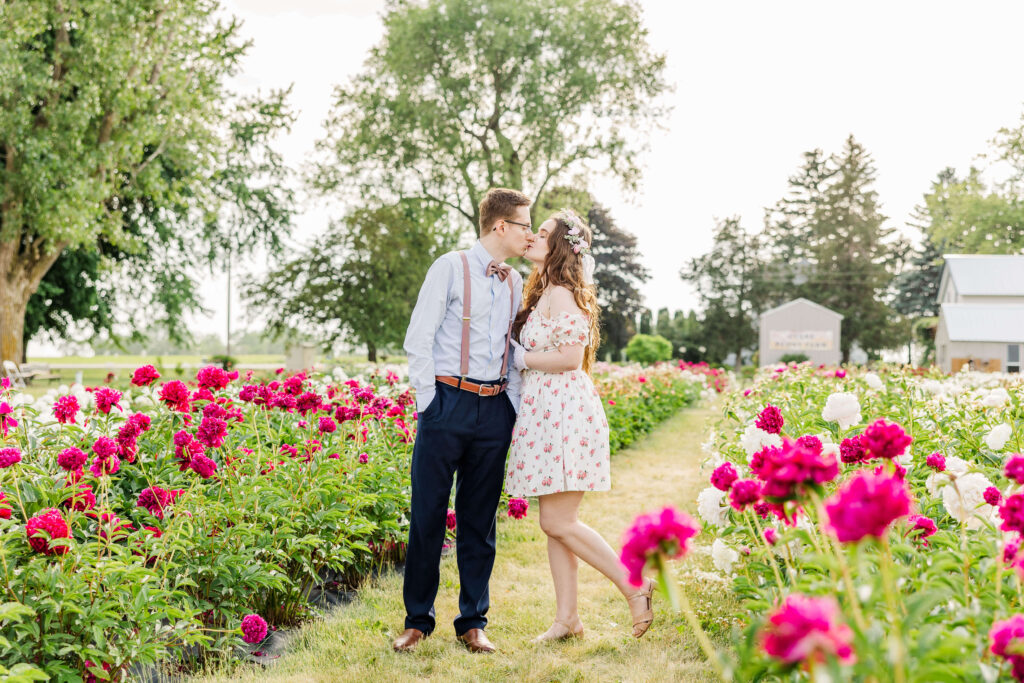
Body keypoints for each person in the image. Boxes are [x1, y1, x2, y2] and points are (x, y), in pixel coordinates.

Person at [505, 209, 656, 642]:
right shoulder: (545, 291)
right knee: (554, 521)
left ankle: (633, 585)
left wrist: (523, 358)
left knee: (558, 521)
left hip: (564, 413)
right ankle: (566, 619)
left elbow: (570, 358)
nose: (534, 236)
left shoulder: (562, 293)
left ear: (559, 247)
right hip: (547, 413)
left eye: (544, 232)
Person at [394, 188, 534, 654]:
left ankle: (473, 622)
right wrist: (428, 402)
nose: (529, 233)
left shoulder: (515, 281)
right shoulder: (449, 267)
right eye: (524, 225)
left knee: (480, 521)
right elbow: (420, 337)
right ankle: (418, 621)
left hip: (493, 409)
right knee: (428, 514)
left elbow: (512, 351)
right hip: (446, 404)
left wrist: (510, 405)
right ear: (500, 226)